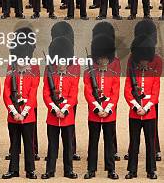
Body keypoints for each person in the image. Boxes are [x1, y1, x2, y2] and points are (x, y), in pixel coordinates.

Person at [2, 28, 39, 180]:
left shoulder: (33, 70)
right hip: (13, 115)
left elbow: (32, 94)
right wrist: (13, 111)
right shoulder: (11, 70)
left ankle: (30, 170)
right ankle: (13, 169)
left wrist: (23, 113)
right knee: (14, 144)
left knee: (29, 145)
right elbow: (6, 93)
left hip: (28, 115)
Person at [41, 36, 79, 179]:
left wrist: (63, 109)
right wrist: (54, 109)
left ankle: (68, 171)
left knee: (68, 146)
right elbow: (46, 93)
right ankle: (50, 171)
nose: (61, 64)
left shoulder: (71, 77)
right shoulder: (51, 74)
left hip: (67, 117)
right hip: (52, 117)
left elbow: (73, 96)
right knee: (52, 146)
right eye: (59, 61)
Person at [83, 34, 120, 179]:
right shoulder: (89, 73)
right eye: (101, 58)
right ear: (97, 59)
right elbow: (88, 92)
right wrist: (98, 109)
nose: (103, 60)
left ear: (108, 58)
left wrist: (108, 109)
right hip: (94, 114)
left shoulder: (113, 74)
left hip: (109, 114)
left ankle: (111, 170)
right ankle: (91, 169)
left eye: (105, 58)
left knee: (109, 144)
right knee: (93, 143)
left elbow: (115, 93)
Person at [124, 35, 160, 180]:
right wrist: (137, 106)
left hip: (149, 114)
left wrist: (146, 108)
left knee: (150, 144)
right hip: (134, 114)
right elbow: (127, 92)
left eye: (146, 60)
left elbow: (155, 94)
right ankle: (132, 170)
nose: (144, 62)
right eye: (142, 60)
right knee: (134, 143)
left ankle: (151, 170)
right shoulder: (132, 73)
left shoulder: (154, 74)